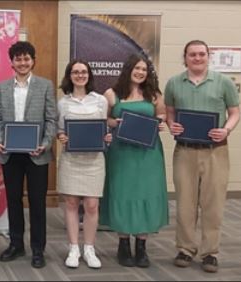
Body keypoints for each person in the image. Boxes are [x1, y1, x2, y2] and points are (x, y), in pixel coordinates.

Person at [165, 40, 241, 273]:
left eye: (201, 54)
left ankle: (210, 253)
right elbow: (169, 113)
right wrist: (172, 126)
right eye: (192, 55)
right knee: (185, 204)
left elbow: (235, 112)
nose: (197, 58)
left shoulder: (223, 82)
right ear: (185, 57)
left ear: (209, 56)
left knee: (213, 204)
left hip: (215, 152)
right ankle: (185, 249)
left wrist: (226, 129)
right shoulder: (174, 83)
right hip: (185, 151)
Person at [100, 54, 169, 268]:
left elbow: (163, 115)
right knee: (123, 193)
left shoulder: (154, 95)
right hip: (122, 153)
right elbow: (104, 119)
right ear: (128, 69)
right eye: (137, 68)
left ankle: (141, 246)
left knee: (146, 193)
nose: (140, 72)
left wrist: (160, 123)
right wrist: (114, 122)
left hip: (148, 154)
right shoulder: (111, 94)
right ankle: (123, 245)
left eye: (144, 69)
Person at [0, 41, 57, 269]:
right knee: (13, 200)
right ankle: (16, 244)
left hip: (37, 153)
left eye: (26, 58)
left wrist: (45, 143)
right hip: (10, 153)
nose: (22, 63)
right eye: (18, 59)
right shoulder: (2, 87)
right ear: (11, 62)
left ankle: (38, 248)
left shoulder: (45, 85)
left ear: (33, 60)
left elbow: (51, 119)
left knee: (37, 202)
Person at [55, 59, 111, 269]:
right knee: (70, 203)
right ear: (70, 76)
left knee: (91, 205)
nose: (80, 75)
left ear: (89, 75)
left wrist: (106, 137)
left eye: (84, 72)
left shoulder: (100, 101)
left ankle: (89, 248)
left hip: (94, 161)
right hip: (71, 160)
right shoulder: (63, 102)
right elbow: (60, 129)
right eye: (76, 72)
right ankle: (73, 248)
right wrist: (61, 136)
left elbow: (104, 128)